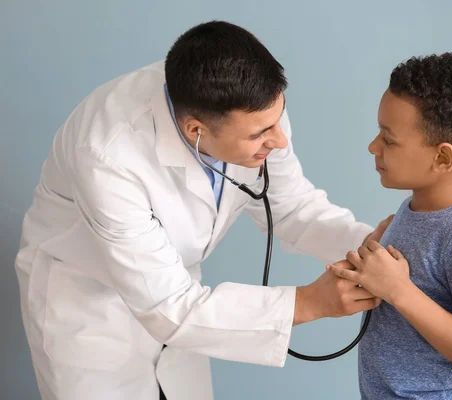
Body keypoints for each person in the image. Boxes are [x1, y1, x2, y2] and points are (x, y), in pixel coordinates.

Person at [14, 20, 391, 400]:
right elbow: (169, 307)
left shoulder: (254, 109)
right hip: (91, 308)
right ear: (196, 131)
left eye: (278, 121)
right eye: (261, 135)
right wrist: (309, 302)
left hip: (176, 289)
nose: (278, 140)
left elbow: (292, 206)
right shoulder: (107, 155)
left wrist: (373, 245)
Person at [329, 52, 452, 399]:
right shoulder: (412, 210)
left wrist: (400, 291)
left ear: (442, 158)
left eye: (388, 139)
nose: (372, 146)